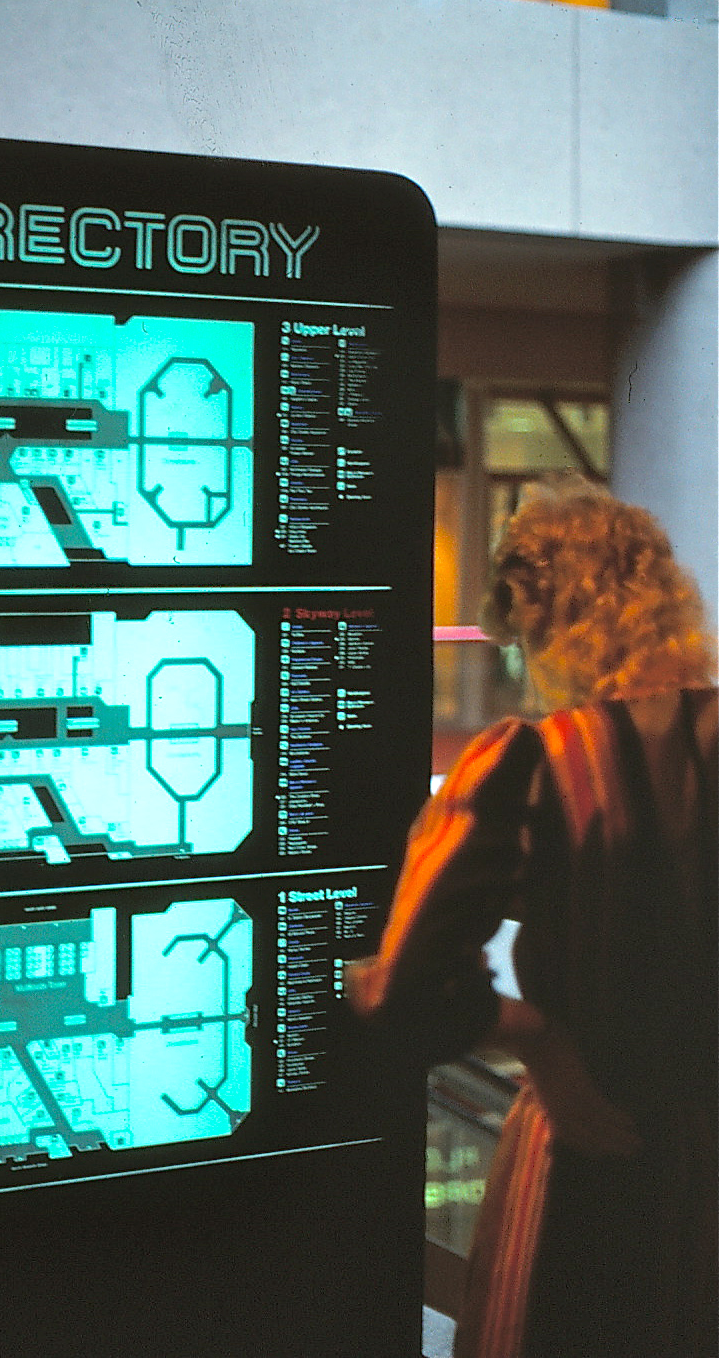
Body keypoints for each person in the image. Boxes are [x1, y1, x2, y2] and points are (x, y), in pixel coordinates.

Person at [348, 475, 717, 1358]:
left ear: (536, 618)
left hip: (581, 1162)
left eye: (511, 639)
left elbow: (395, 988)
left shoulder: (533, 764)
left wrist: (536, 1036)